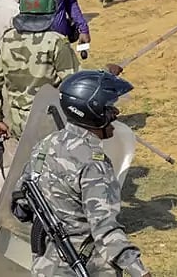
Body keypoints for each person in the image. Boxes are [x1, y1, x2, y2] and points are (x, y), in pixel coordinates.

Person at [14, 70, 150, 277]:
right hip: (85, 266)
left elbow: (21, 206)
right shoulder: (95, 165)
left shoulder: (44, 146)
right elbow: (106, 233)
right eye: (109, 108)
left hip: (45, 267)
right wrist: (140, 272)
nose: (116, 113)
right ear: (93, 111)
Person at [0, 0, 83, 205]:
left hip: (16, 123)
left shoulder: (8, 39)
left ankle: (8, 211)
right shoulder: (57, 42)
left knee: (13, 171)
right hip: (48, 124)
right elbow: (73, 85)